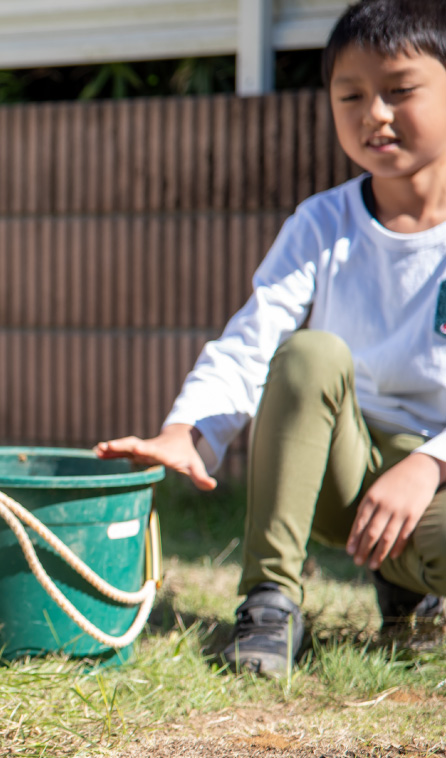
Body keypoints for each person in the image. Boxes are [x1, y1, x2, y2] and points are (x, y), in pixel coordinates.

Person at [96, 0, 446, 675]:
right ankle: (270, 603)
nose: (375, 112)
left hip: (432, 478)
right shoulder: (322, 222)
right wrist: (186, 429)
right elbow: (252, 338)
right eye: (351, 95)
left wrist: (428, 463)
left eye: (400, 90)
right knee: (311, 351)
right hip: (343, 474)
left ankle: (411, 587)